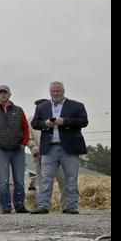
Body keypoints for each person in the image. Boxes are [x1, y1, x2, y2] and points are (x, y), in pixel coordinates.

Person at [31, 81, 89, 215]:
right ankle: (43, 206)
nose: (56, 94)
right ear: (49, 92)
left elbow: (84, 121)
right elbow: (35, 123)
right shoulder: (42, 107)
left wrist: (65, 122)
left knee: (71, 178)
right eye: (53, 92)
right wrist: (45, 123)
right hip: (49, 147)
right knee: (46, 178)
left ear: (63, 91)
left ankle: (71, 206)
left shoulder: (77, 106)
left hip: (69, 147)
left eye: (58, 91)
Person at [0, 84, 30, 214]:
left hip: (17, 150)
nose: (3, 95)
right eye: (0, 93)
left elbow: (26, 128)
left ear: (10, 94)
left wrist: (24, 143)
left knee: (19, 180)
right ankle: (6, 207)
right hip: (1, 150)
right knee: (3, 181)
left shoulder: (19, 110)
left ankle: (20, 206)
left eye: (5, 92)